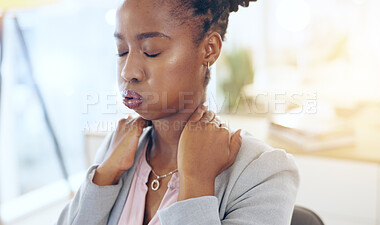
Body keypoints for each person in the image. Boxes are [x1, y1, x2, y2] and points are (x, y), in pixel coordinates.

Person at [56, 0, 299, 224]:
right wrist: (105, 175)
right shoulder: (117, 147)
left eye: (151, 50)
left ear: (209, 49)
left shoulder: (263, 172)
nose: (127, 71)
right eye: (122, 51)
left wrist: (196, 184)